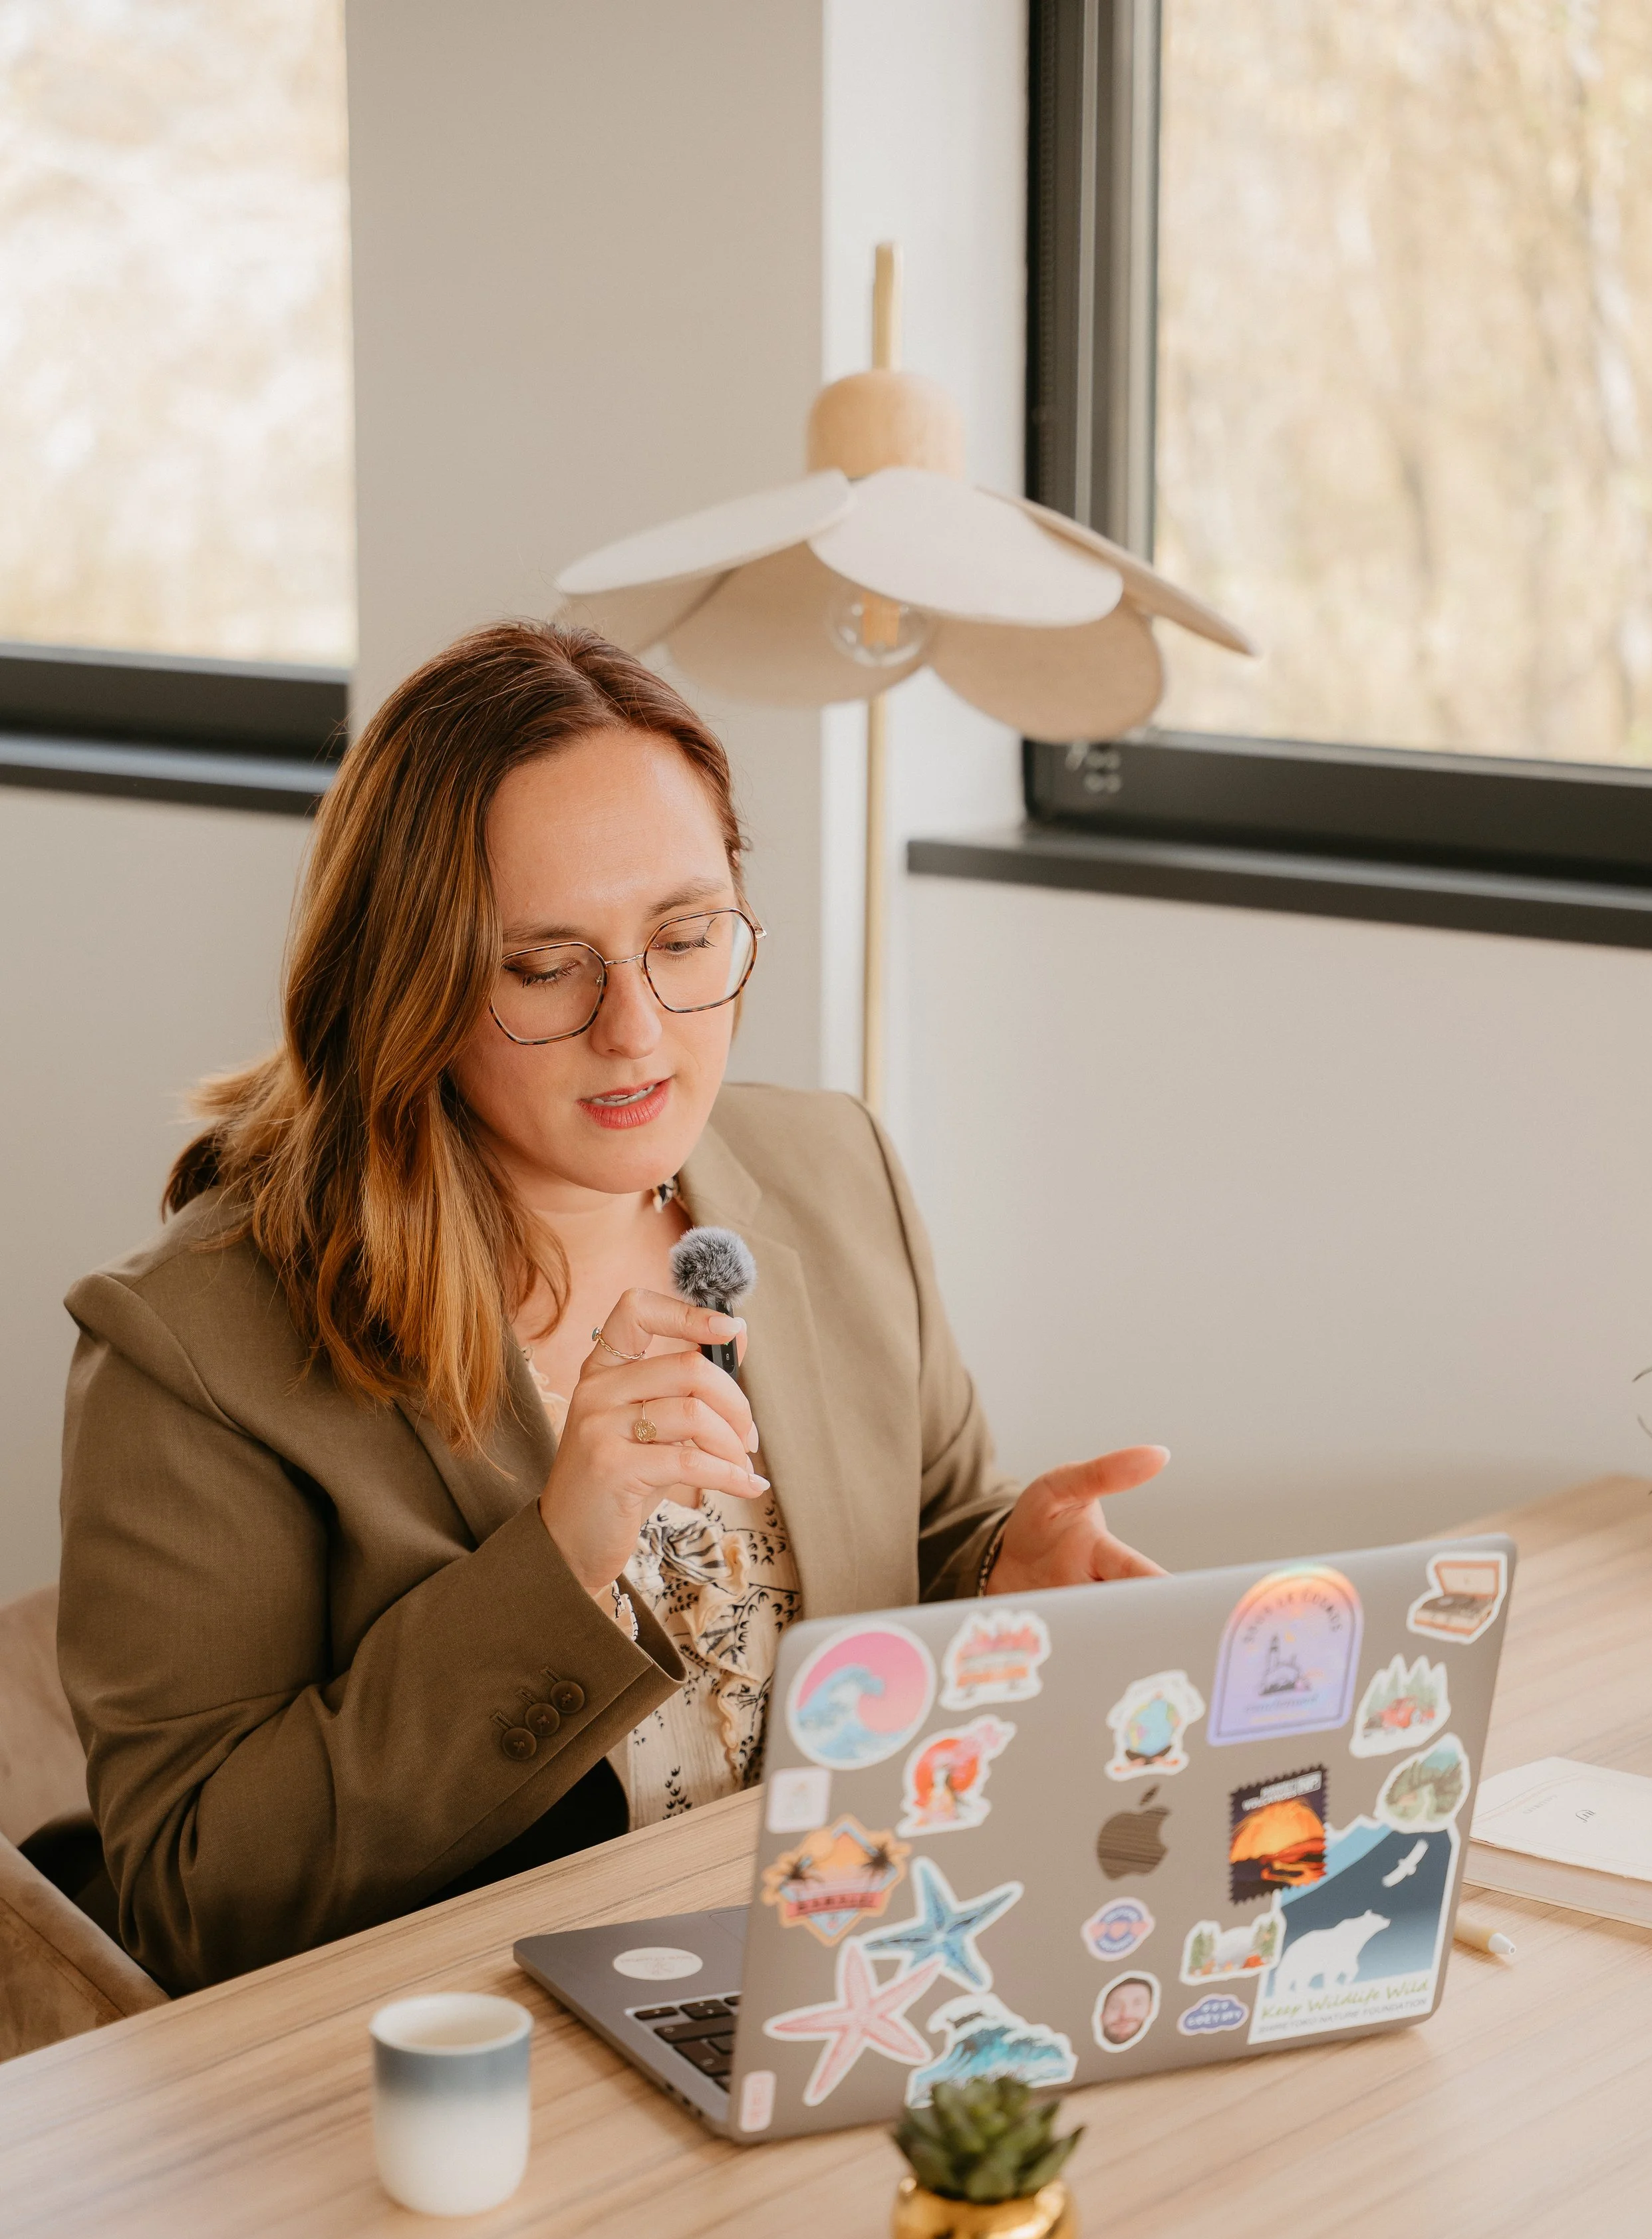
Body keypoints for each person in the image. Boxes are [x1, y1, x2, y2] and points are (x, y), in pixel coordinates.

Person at [57, 623, 1167, 1994]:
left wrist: (1002, 1573)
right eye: (543, 968)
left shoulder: (832, 1172)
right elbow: (191, 1900)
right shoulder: (193, 1348)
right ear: (409, 980)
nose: (636, 1027)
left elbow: (909, 1551)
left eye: (686, 939)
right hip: (465, 2061)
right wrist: (558, 1564)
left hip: (833, 1973)